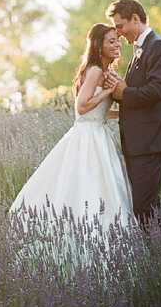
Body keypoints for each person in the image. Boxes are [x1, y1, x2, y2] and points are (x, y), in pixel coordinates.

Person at [9, 23, 133, 246]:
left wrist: (126, 115)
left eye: (117, 40)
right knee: (89, 188)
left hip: (98, 134)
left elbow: (100, 113)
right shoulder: (95, 71)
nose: (117, 45)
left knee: (100, 190)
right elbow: (82, 107)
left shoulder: (106, 72)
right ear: (98, 45)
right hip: (88, 139)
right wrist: (107, 91)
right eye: (111, 41)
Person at [103, 0, 161, 230]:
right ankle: (152, 256)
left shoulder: (158, 47)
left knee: (145, 207)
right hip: (141, 142)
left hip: (150, 141)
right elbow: (136, 92)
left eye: (120, 26)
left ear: (135, 19)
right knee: (143, 206)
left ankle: (154, 257)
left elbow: (157, 90)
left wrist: (123, 92)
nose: (118, 33)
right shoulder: (141, 49)